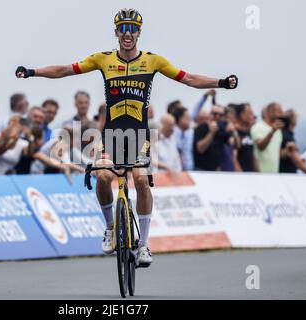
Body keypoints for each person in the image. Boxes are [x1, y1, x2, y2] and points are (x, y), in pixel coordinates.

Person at [15, 8, 238, 267]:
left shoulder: (154, 61)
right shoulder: (103, 59)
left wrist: (221, 82)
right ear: (116, 32)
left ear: (139, 33)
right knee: (103, 176)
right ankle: (110, 227)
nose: (128, 33)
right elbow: (66, 70)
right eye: (123, 28)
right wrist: (32, 72)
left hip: (139, 135)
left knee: (142, 180)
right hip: (111, 135)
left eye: (133, 29)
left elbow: (188, 78)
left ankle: (144, 245)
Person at [193, 105, 236, 171]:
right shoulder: (201, 128)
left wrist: (233, 132)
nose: (217, 117)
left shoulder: (222, 129)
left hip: (215, 170)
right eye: (215, 114)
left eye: (220, 115)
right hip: (200, 170)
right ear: (210, 114)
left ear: (224, 116)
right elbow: (200, 149)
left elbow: (235, 145)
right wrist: (211, 133)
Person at [251, 102, 284, 173]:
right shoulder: (258, 127)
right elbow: (261, 146)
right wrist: (272, 131)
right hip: (261, 174)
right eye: (279, 111)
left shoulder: (278, 130)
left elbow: (276, 153)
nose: (282, 113)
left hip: (274, 173)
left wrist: (287, 152)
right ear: (270, 111)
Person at [279, 109, 306, 174]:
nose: (297, 117)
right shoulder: (287, 137)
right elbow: (297, 162)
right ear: (291, 120)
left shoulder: (284, 134)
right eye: (295, 116)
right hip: (286, 174)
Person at [233, 103, 257, 172]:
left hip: (251, 174)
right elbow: (234, 158)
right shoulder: (234, 132)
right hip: (240, 176)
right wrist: (242, 175)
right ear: (241, 115)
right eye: (249, 113)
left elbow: (253, 155)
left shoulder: (250, 132)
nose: (252, 116)